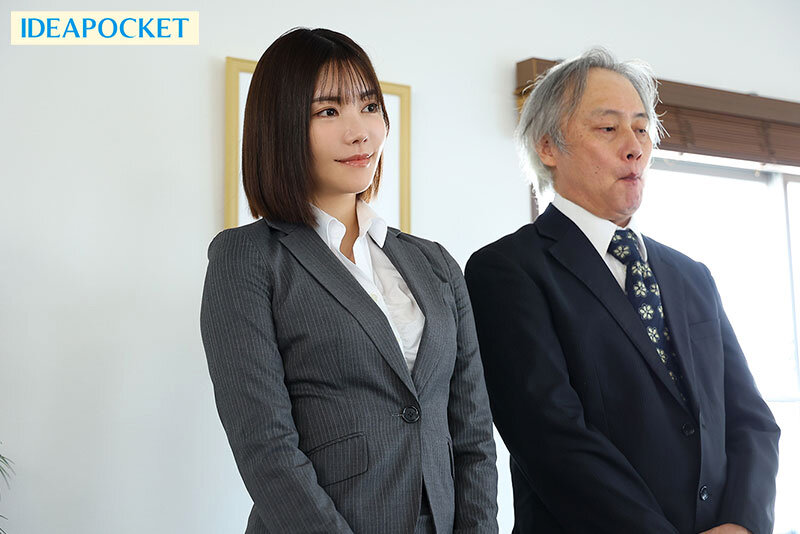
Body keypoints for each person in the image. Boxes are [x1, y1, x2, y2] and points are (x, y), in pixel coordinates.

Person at [464, 48, 780, 534]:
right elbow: (553, 442)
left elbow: (750, 421)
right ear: (548, 147)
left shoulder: (691, 275)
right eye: (608, 128)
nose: (634, 147)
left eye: (642, 128)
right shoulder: (506, 271)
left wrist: (742, 523)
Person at [200, 27, 497, 534]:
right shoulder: (247, 258)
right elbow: (266, 448)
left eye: (369, 106)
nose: (360, 132)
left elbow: (472, 437)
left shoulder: (435, 263)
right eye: (328, 111)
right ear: (280, 126)